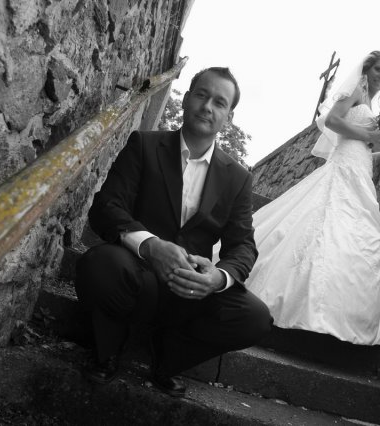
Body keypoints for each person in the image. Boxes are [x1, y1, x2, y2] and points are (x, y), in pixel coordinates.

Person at [75, 67, 272, 397]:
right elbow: (107, 207)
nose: (207, 107)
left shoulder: (238, 178)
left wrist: (218, 277)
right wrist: (151, 246)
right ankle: (108, 349)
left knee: (255, 318)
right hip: (137, 274)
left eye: (219, 102)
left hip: (190, 292)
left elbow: (243, 247)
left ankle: (166, 358)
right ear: (187, 98)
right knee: (99, 264)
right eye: (201, 95)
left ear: (229, 117)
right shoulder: (144, 144)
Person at [244, 51, 380, 345]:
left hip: (360, 171)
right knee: (321, 227)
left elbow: (362, 149)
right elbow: (332, 120)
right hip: (342, 169)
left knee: (347, 236)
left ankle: (330, 314)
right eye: (379, 69)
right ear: (368, 68)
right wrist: (369, 135)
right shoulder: (357, 89)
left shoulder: (370, 102)